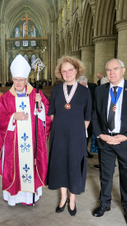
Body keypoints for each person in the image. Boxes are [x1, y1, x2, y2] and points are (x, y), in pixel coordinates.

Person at [92, 58, 127, 226]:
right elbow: (95, 114)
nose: (112, 72)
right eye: (108, 70)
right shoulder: (100, 90)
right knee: (105, 175)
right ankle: (105, 204)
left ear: (123, 70)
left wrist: (126, 136)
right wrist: (100, 135)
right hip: (106, 140)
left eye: (115, 69)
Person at [0, 54, 51, 206]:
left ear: (27, 80)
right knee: (14, 167)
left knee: (29, 166)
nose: (18, 83)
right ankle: (13, 197)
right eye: (16, 79)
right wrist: (13, 116)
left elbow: (47, 115)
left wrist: (40, 106)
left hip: (31, 141)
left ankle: (30, 196)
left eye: (21, 80)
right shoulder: (6, 97)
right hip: (13, 143)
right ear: (12, 80)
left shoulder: (36, 95)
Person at [47, 56, 92, 216]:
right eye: (64, 71)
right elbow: (52, 113)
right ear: (60, 73)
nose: (67, 73)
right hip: (59, 136)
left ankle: (72, 199)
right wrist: (61, 128)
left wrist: (76, 131)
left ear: (77, 70)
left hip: (77, 137)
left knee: (74, 165)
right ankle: (63, 197)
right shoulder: (57, 90)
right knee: (60, 165)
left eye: (70, 70)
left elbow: (87, 116)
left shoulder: (85, 91)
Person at [78, 75, 96, 159]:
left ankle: (85, 149)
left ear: (86, 83)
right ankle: (80, 149)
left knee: (87, 134)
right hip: (80, 115)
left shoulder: (93, 87)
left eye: (81, 85)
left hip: (90, 115)